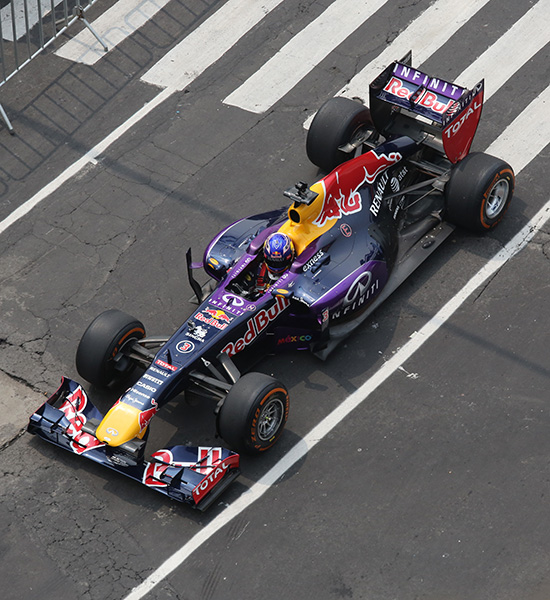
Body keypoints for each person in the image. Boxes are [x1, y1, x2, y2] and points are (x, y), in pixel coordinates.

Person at [243, 232, 295, 298]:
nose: (276, 265)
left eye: (280, 261)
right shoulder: (258, 269)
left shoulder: (297, 270)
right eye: (272, 260)